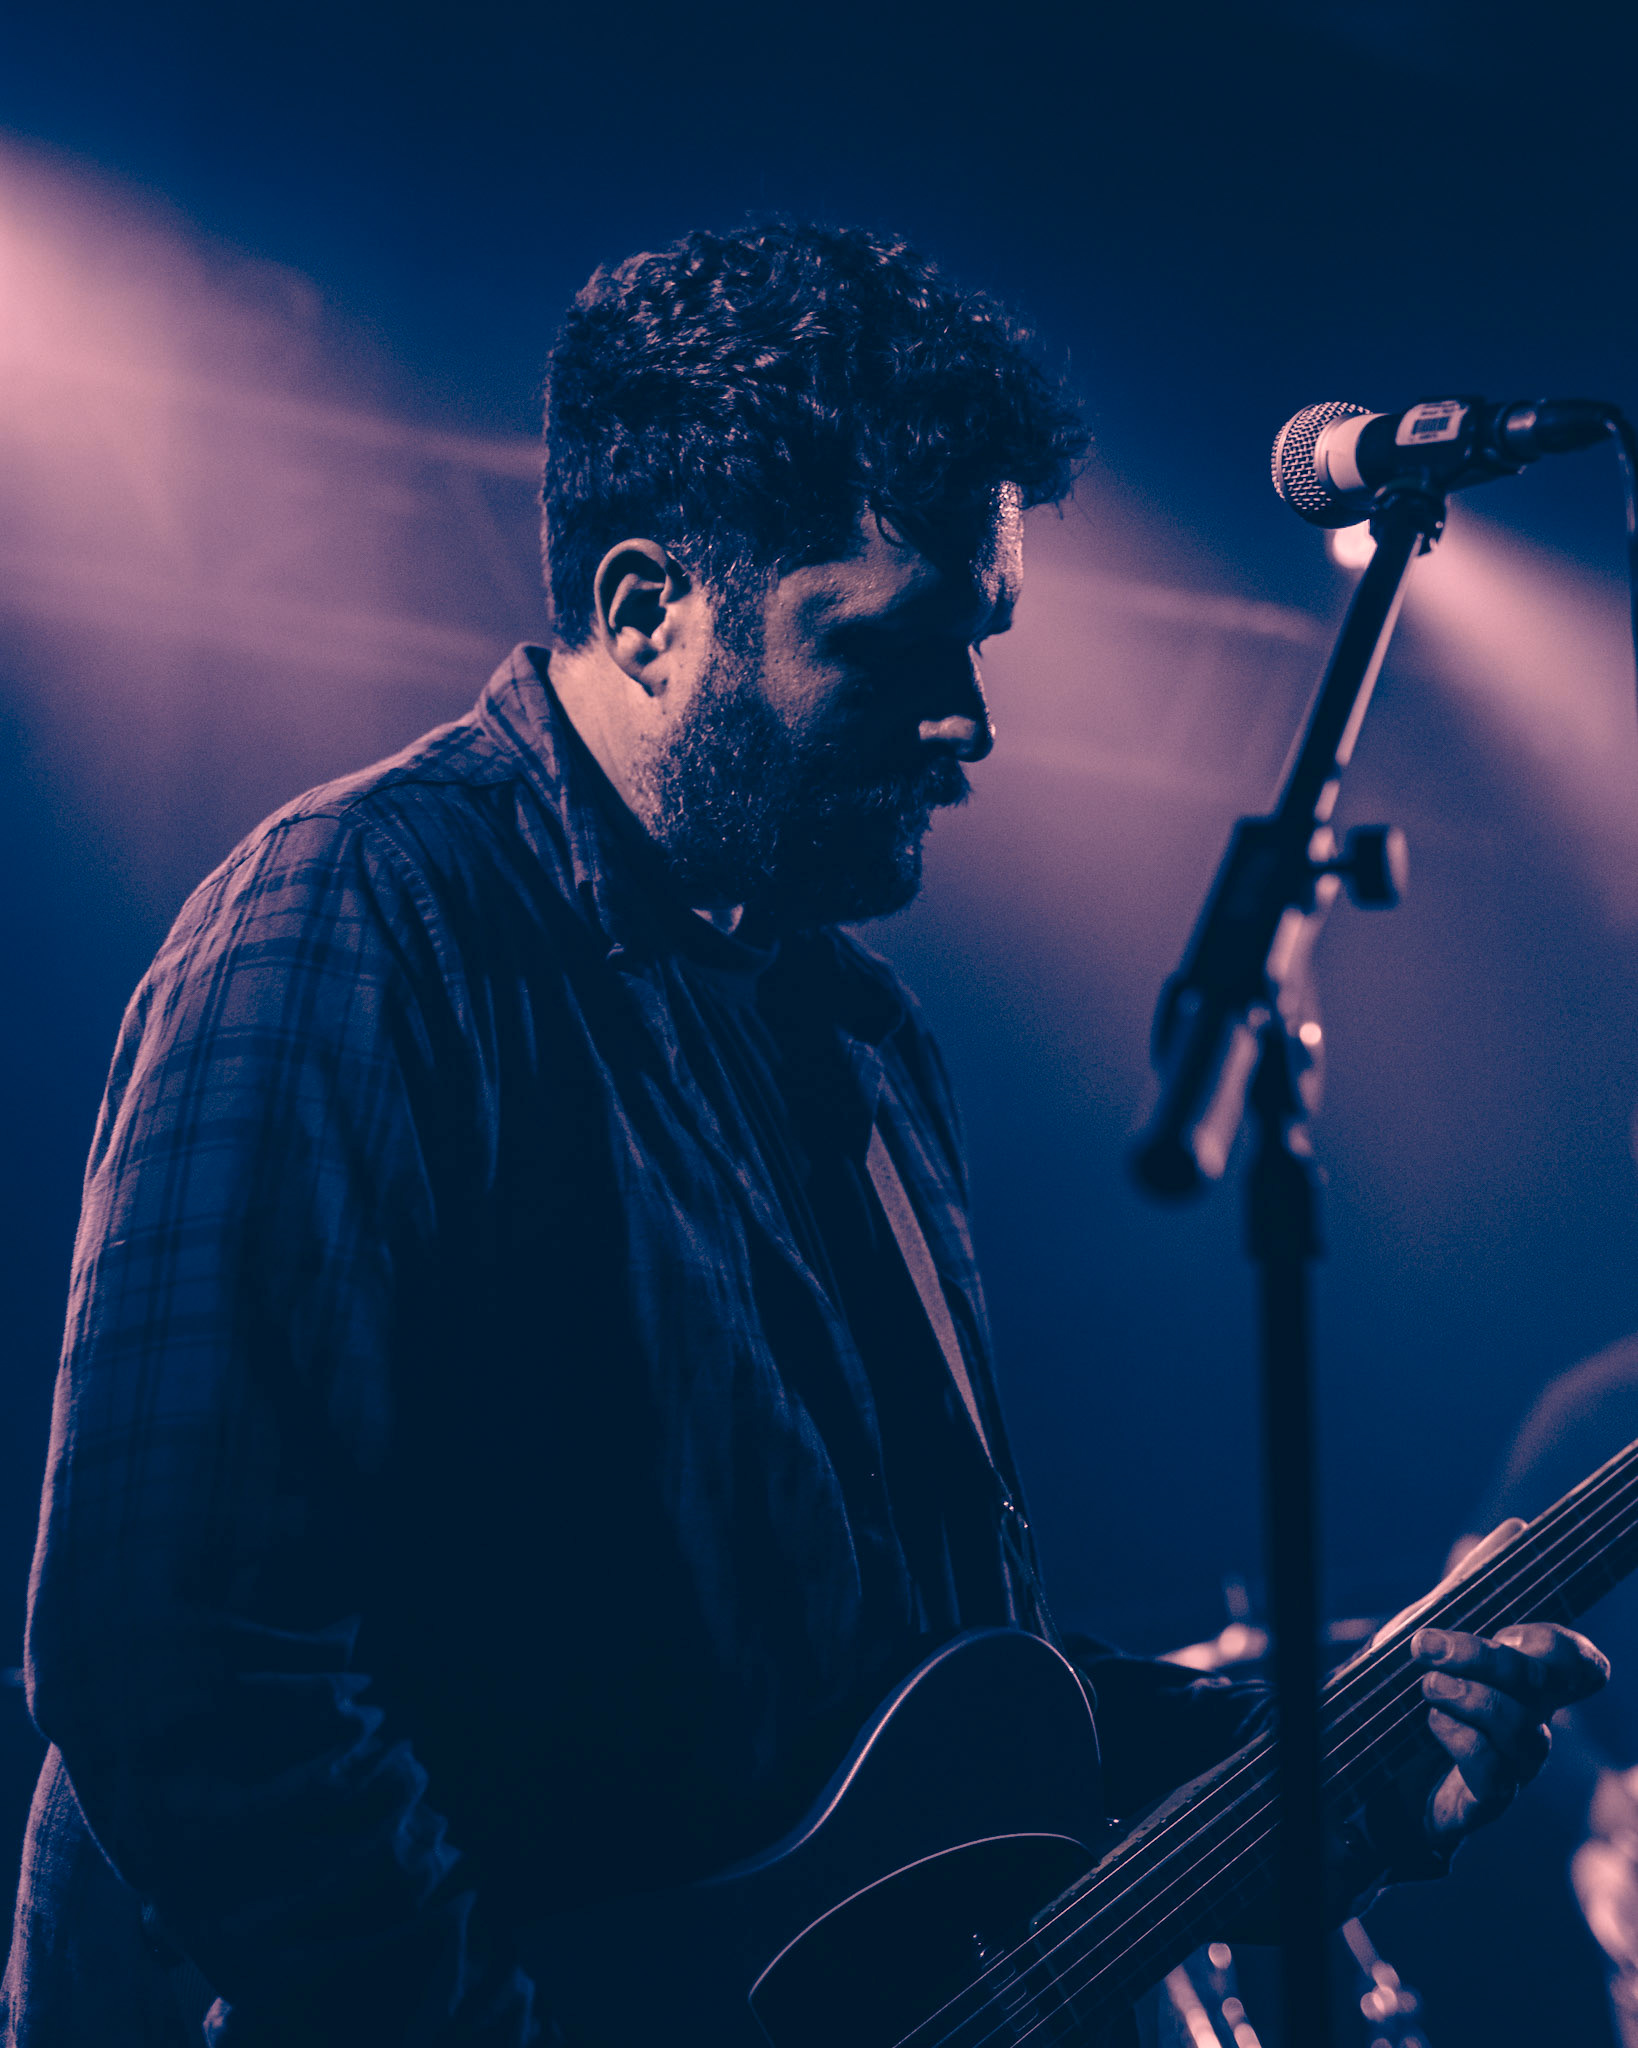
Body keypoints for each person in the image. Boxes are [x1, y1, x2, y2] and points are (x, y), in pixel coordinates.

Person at [0, 222, 1608, 2047]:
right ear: (645, 615)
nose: (971, 722)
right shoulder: (367, 916)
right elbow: (175, 1657)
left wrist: (1334, 1760)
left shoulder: (849, 1037)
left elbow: (926, 1717)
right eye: (891, 646)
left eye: (978, 642)